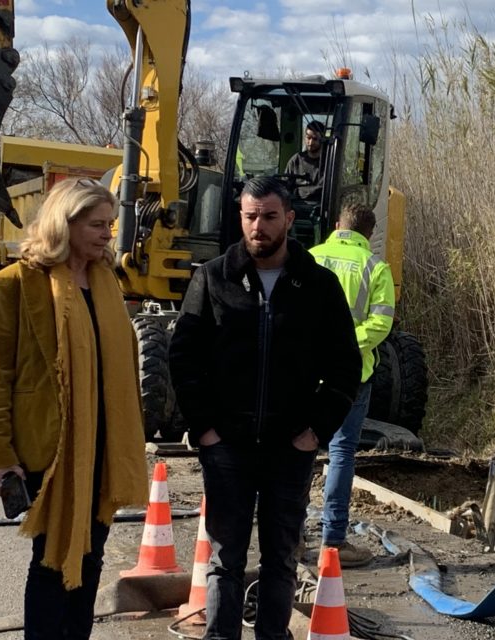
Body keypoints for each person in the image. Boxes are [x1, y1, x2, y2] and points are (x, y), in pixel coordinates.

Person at [169, 176, 360, 640]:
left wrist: (316, 431)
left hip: (288, 450)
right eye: (250, 216)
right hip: (227, 447)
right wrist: (205, 429)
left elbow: (345, 366)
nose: (259, 227)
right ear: (240, 217)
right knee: (224, 560)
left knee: (280, 559)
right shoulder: (213, 278)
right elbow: (183, 356)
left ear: (289, 220)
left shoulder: (317, 285)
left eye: (269, 217)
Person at [0, 178, 148, 639]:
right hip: (49, 453)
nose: (107, 234)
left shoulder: (108, 282)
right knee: (51, 564)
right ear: (64, 223)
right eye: (97, 224)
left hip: (104, 448)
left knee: (90, 562)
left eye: (110, 225)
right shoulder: (14, 284)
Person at [308, 204, 395, 567]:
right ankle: (333, 541)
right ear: (369, 234)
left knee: (302, 451)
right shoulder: (376, 268)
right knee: (341, 453)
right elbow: (381, 325)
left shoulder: (310, 257)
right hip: (354, 376)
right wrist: (346, 344)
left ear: (338, 225)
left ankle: (291, 536)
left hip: (308, 372)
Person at [285, 120, 326, 198]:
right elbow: (285, 184)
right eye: (308, 138)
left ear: (322, 139)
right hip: (298, 205)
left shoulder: (328, 161)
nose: (310, 142)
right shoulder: (296, 159)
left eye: (315, 139)